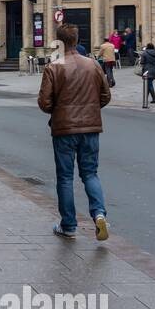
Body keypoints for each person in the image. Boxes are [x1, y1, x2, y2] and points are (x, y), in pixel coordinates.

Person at [38, 23, 110, 241]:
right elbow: (105, 96)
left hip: (64, 129)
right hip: (90, 128)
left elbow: (44, 102)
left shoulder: (54, 67)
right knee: (90, 173)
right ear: (77, 40)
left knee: (65, 177)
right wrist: (90, 108)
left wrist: (59, 110)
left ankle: (68, 225)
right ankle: (99, 214)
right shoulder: (93, 65)